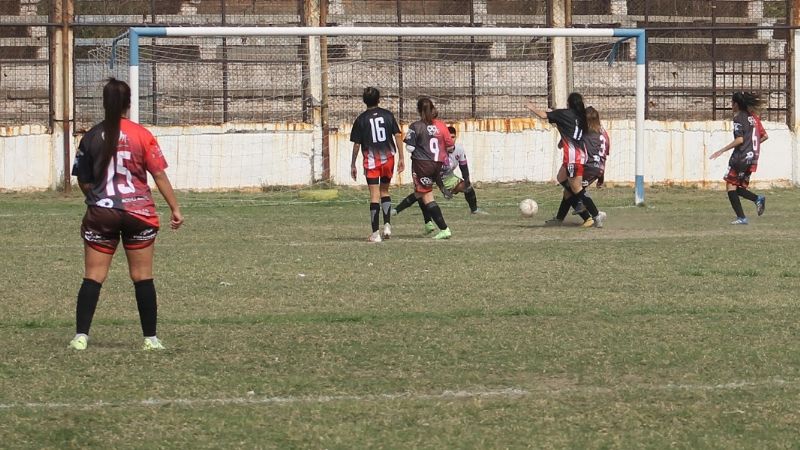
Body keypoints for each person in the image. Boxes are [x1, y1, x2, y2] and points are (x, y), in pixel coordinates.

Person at [69, 78, 183, 351]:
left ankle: (81, 337)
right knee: (142, 275)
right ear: (128, 104)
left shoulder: (91, 136)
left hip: (101, 212)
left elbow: (83, 180)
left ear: (104, 103)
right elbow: (158, 174)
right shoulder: (142, 135)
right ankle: (150, 339)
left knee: (93, 275)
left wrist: (97, 199)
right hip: (139, 212)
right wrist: (175, 208)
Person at [525, 92, 602, 227]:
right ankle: (561, 217)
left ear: (569, 103)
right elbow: (571, 130)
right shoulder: (581, 116)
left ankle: (594, 215)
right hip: (579, 153)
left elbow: (544, 115)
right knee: (562, 179)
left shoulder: (565, 114)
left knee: (576, 189)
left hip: (573, 156)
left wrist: (532, 107)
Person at [393, 125, 487, 220]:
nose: (451, 139)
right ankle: (397, 210)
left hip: (447, 176)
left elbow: (464, 167)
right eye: (448, 137)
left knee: (467, 187)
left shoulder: (459, 150)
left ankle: (474, 210)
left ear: (456, 137)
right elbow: (435, 172)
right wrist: (443, 189)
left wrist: (467, 180)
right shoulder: (437, 151)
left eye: (453, 137)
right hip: (431, 174)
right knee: (420, 194)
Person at [350, 87, 404, 242]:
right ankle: (387, 225)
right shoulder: (388, 115)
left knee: (374, 195)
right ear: (379, 99)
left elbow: (356, 145)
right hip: (389, 159)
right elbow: (398, 135)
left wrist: (353, 164)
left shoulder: (361, 119)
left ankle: (375, 234)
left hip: (372, 161)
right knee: (385, 191)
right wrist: (401, 157)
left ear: (364, 101)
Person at [710, 91, 767, 224]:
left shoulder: (738, 117)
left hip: (740, 157)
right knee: (736, 186)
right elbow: (764, 136)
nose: (731, 106)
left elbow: (740, 139)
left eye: (732, 103)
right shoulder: (754, 117)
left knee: (730, 186)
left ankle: (742, 217)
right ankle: (757, 199)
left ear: (736, 104)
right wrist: (752, 147)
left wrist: (722, 150)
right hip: (752, 158)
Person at [403, 97, 454, 239]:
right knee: (422, 193)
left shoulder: (416, 126)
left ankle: (444, 228)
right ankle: (429, 223)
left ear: (419, 110)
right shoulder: (441, 126)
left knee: (426, 195)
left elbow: (410, 147)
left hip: (422, 164)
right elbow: (450, 146)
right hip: (438, 165)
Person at [559, 106, 609, 227]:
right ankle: (559, 218)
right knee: (568, 191)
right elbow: (604, 155)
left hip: (586, 166)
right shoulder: (604, 133)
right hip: (598, 168)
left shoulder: (583, 132)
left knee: (570, 186)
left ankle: (592, 215)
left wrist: (562, 142)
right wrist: (601, 177)